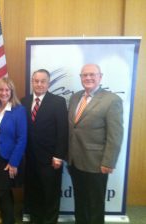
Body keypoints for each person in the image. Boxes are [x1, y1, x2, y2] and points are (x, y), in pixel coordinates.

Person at [68, 64, 123, 224]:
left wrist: (108, 161)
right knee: (80, 201)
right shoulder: (75, 97)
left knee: (95, 205)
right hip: (75, 161)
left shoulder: (112, 100)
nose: (88, 78)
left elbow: (115, 134)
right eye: (84, 75)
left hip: (96, 163)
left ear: (100, 77)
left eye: (92, 74)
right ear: (80, 78)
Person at [21, 69, 68, 224]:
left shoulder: (58, 102)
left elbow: (62, 131)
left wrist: (59, 156)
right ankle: (36, 219)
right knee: (34, 192)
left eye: (43, 81)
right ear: (32, 82)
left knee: (50, 194)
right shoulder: (24, 101)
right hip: (30, 159)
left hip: (50, 159)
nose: (39, 84)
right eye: (36, 81)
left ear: (48, 83)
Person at [0, 77, 27, 224]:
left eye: (6, 90)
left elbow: (22, 138)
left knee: (3, 190)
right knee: (0, 189)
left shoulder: (19, 110)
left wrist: (14, 162)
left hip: (8, 156)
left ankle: (8, 220)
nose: (3, 93)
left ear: (11, 92)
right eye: (1, 90)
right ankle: (6, 218)